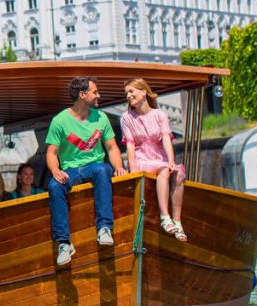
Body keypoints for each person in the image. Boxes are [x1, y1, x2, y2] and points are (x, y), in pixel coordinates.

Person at [46, 76, 126, 265]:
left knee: (103, 170)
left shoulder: (101, 117)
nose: (99, 95)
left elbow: (112, 148)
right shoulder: (60, 121)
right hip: (71, 169)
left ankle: (104, 228)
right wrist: (56, 170)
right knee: (54, 186)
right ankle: (64, 243)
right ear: (82, 95)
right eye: (95, 92)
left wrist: (120, 167)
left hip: (94, 166)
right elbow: (51, 153)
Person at [121, 78, 187, 242]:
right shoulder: (126, 118)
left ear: (143, 92)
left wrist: (171, 160)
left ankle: (177, 222)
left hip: (159, 157)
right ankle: (165, 217)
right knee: (164, 169)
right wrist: (132, 168)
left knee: (178, 173)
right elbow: (129, 145)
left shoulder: (160, 114)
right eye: (126, 93)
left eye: (131, 91)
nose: (128, 96)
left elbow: (166, 139)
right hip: (141, 157)